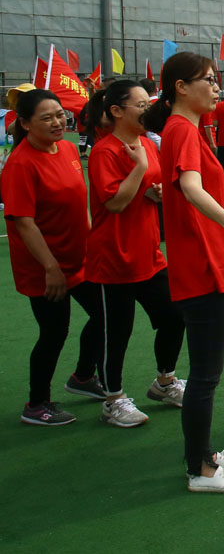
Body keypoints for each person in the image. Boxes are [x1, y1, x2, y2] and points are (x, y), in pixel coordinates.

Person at [142, 51, 224, 493]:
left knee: (206, 372)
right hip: (201, 263)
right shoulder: (182, 129)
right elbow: (190, 187)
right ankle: (200, 470)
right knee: (205, 375)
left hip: (204, 260)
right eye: (207, 79)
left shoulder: (182, 129)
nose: (215, 86)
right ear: (180, 87)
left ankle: (204, 455)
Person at [83, 80, 187, 428]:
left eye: (149, 103)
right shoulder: (105, 151)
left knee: (175, 315)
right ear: (116, 111)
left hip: (148, 253)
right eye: (141, 105)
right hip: (113, 258)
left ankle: (165, 382)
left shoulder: (145, 144)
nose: (148, 110)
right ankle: (113, 400)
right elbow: (113, 203)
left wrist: (152, 191)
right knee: (117, 333)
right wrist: (140, 168)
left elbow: (142, 189)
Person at [2, 89, 104, 426]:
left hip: (80, 258)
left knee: (106, 315)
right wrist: (51, 268)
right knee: (54, 331)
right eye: (47, 118)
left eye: (60, 115)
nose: (58, 122)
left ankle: (83, 376)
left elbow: (78, 202)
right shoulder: (20, 164)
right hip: (44, 267)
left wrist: (91, 240)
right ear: (25, 124)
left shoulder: (69, 149)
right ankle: (37, 404)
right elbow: (24, 223)